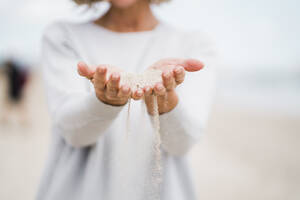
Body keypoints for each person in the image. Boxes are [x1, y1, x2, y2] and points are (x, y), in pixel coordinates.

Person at [37, 0, 216, 199]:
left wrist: (164, 101)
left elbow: (182, 144)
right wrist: (105, 102)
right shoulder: (63, 36)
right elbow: (74, 134)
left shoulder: (194, 44)